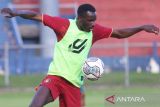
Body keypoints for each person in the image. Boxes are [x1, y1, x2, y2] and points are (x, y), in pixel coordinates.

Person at [1, 3, 159, 107]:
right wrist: (16, 12)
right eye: (90, 20)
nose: (93, 24)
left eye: (94, 20)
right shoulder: (63, 25)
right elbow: (36, 16)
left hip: (74, 85)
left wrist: (141, 27)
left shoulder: (94, 31)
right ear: (80, 18)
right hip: (55, 78)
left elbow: (118, 33)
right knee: (34, 105)